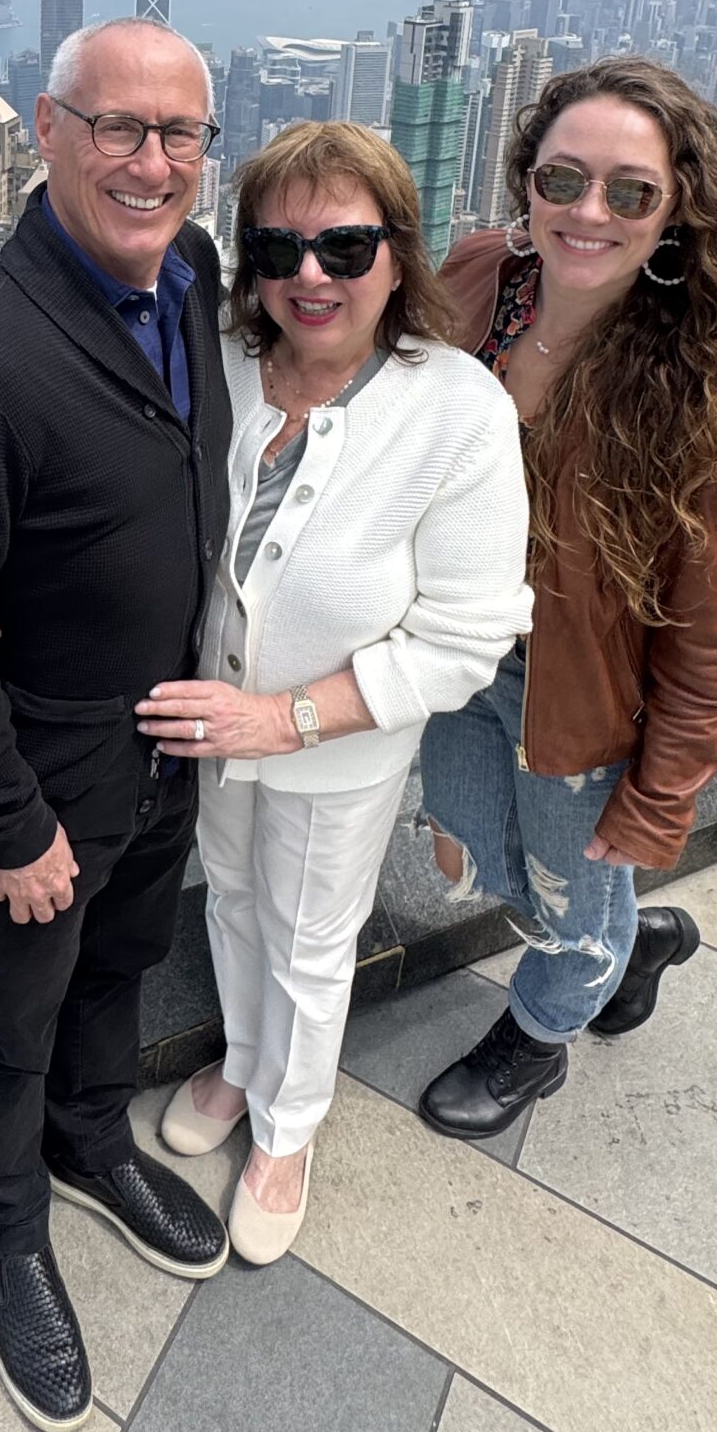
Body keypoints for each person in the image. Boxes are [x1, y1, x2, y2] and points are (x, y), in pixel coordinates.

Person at [0, 18, 234, 1432]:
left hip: (169, 736)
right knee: (15, 998)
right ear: (49, 131)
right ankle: (12, 1223)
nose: (150, 163)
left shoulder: (194, 276)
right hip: (47, 764)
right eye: (119, 129)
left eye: (182, 136)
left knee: (129, 958)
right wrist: (7, 821)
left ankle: (97, 1137)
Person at [138, 123, 531, 1262]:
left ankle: (288, 1128)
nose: (311, 275)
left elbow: (465, 639)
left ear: (397, 257)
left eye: (347, 246)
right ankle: (247, 1061)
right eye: (280, 246)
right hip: (208, 723)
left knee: (312, 934)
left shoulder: (454, 408)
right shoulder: (214, 354)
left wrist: (287, 716)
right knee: (230, 900)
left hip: (338, 744)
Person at [416, 57, 717, 1138]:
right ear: (526, 182)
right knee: (477, 850)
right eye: (564, 178)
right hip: (453, 649)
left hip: (574, 700)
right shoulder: (476, 277)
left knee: (569, 899)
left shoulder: (704, 406)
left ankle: (540, 1033)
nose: (589, 211)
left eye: (630, 192)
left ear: (674, 216)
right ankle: (634, 942)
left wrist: (661, 795)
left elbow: (710, 633)